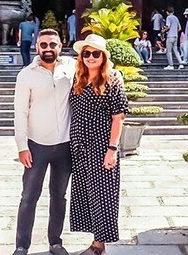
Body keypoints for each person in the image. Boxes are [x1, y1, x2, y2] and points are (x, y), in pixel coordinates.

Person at [13, 29, 76, 255]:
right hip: (36, 146)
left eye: (52, 45)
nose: (48, 49)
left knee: (59, 196)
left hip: (65, 146)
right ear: (36, 47)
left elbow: (98, 70)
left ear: (60, 46)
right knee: (29, 196)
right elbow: (20, 112)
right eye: (44, 45)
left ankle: (55, 242)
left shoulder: (71, 67)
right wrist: (22, 146)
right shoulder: (26, 74)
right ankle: (22, 245)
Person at [70, 34, 128, 255]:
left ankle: (99, 245)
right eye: (86, 53)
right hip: (80, 147)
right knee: (87, 193)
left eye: (95, 53)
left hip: (101, 146)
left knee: (103, 194)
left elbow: (118, 117)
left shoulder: (112, 80)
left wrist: (112, 149)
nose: (91, 57)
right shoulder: (78, 79)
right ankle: (95, 240)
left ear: (103, 56)